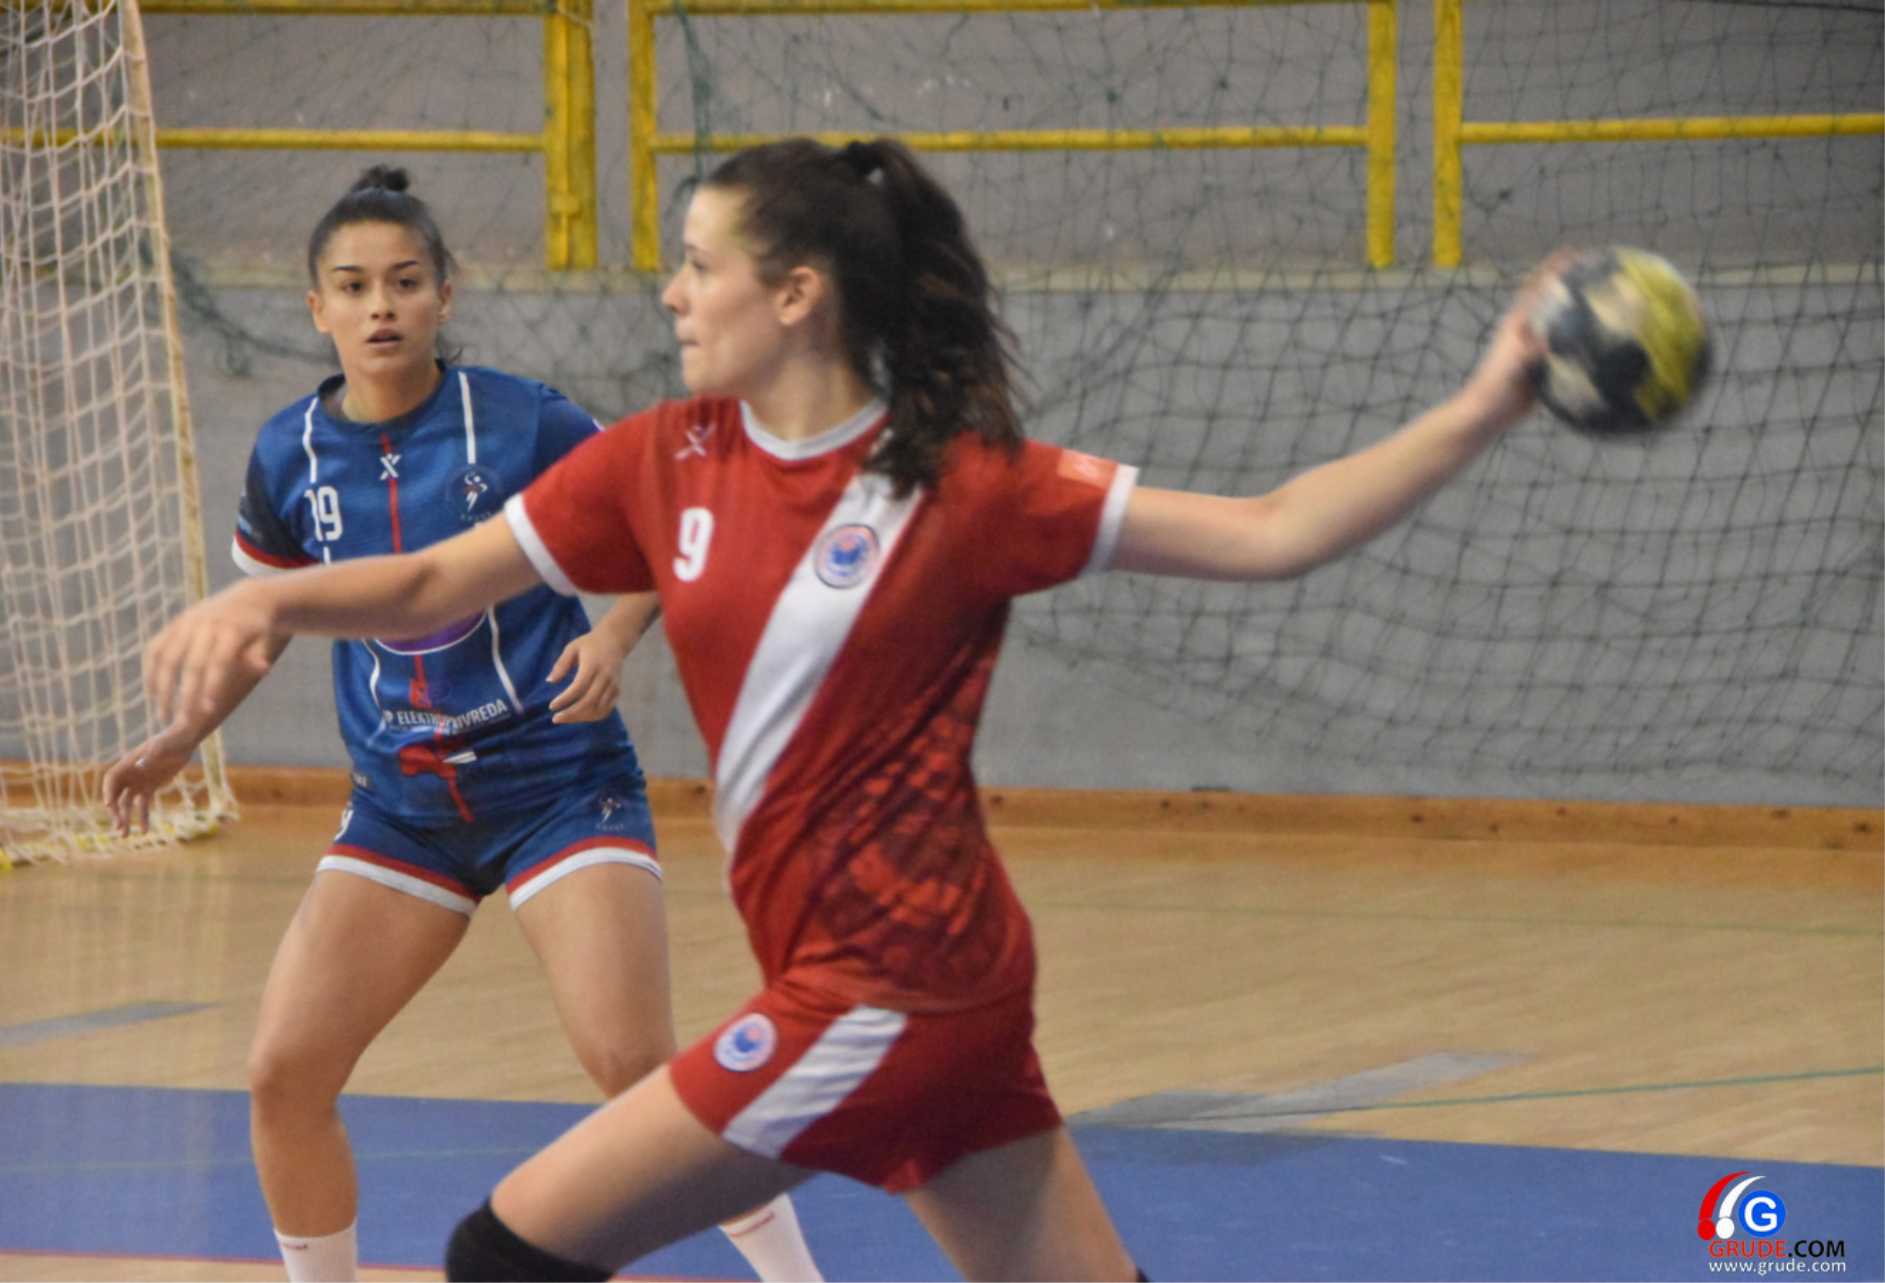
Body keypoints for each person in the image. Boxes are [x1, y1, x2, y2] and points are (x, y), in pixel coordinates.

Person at [139, 139, 1560, 1283]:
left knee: (503, 1252)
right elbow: (434, 579)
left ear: (797, 295)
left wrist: (1492, 401)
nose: (672, 295)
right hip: (927, 988)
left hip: (891, 989)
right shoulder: (662, 461)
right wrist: (269, 601)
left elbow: (1272, 527)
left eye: (701, 266)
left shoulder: (962, 483)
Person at [102, 166, 824, 1283]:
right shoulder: (288, 454)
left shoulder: (523, 418)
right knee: (283, 1073)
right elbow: (267, 624)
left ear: (446, 294)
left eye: (404, 281)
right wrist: (183, 735)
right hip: (403, 807)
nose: (380, 305)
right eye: (353, 286)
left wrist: (616, 630)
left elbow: (670, 515)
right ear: (317, 307)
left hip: (556, 784)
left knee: (633, 1063)